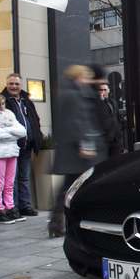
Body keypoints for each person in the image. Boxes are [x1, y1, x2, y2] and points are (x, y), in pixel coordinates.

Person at [50, 65, 107, 237]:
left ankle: (56, 222)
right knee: (75, 187)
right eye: (86, 76)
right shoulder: (75, 95)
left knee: (68, 187)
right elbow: (79, 122)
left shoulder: (69, 93)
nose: (89, 79)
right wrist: (86, 146)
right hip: (78, 153)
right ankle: (65, 221)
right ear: (78, 77)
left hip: (71, 152)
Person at [1, 73, 44, 217]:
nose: (14, 86)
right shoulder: (2, 101)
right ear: (7, 85)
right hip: (11, 146)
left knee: (24, 177)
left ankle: (25, 206)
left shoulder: (26, 100)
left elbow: (34, 120)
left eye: (16, 84)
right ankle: (14, 208)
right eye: (11, 84)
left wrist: (37, 136)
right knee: (11, 179)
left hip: (26, 146)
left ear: (21, 86)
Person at [0, 93, 27, 224]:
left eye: (3, 103)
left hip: (12, 151)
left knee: (9, 183)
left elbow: (22, 131)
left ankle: (10, 208)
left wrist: (8, 130)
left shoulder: (9, 114)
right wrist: (12, 130)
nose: (2, 106)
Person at [96, 82, 123, 158]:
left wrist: (119, 128)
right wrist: (100, 101)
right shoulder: (97, 103)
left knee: (115, 158)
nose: (103, 92)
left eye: (105, 90)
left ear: (108, 90)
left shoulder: (113, 102)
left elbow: (117, 117)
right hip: (105, 137)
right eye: (101, 90)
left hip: (115, 136)